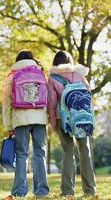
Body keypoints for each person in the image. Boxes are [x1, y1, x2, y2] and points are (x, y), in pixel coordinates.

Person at [48, 50, 96, 196]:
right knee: (85, 151)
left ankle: (68, 191)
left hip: (63, 120)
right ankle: (90, 190)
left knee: (67, 152)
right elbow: (88, 98)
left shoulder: (52, 78)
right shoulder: (80, 75)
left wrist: (53, 123)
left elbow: (51, 103)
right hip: (82, 118)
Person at [2, 50, 49, 197]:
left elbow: (6, 104)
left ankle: (19, 191)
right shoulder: (40, 73)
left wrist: (8, 126)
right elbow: (46, 98)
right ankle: (41, 191)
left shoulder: (12, 76)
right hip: (40, 118)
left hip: (20, 120)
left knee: (21, 155)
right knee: (39, 154)